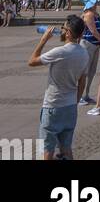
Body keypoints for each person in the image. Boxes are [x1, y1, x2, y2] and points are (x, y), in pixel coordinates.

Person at [29, 15, 89, 159]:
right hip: (70, 106)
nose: (61, 31)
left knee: (47, 149)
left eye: (63, 28)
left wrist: (43, 40)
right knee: (66, 148)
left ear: (68, 33)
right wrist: (75, 101)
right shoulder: (84, 53)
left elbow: (32, 61)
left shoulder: (59, 52)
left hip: (53, 105)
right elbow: (82, 82)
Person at [77, 0, 100, 105]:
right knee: (85, 71)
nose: (96, 4)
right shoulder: (88, 15)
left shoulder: (96, 14)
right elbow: (93, 30)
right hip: (87, 44)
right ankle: (80, 96)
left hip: (95, 45)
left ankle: (86, 94)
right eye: (94, 2)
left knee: (91, 71)